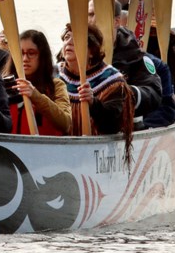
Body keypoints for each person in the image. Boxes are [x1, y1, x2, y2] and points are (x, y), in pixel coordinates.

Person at [57, 23, 134, 161]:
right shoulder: (54, 75)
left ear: (91, 51)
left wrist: (93, 103)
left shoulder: (112, 80)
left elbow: (113, 124)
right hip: (59, 153)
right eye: (67, 37)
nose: (69, 42)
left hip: (96, 156)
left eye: (76, 40)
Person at [12, 29, 72, 135]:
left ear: (42, 56)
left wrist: (36, 96)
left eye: (31, 53)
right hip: (10, 149)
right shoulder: (6, 85)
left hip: (45, 149)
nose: (25, 59)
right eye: (21, 53)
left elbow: (65, 123)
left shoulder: (56, 85)